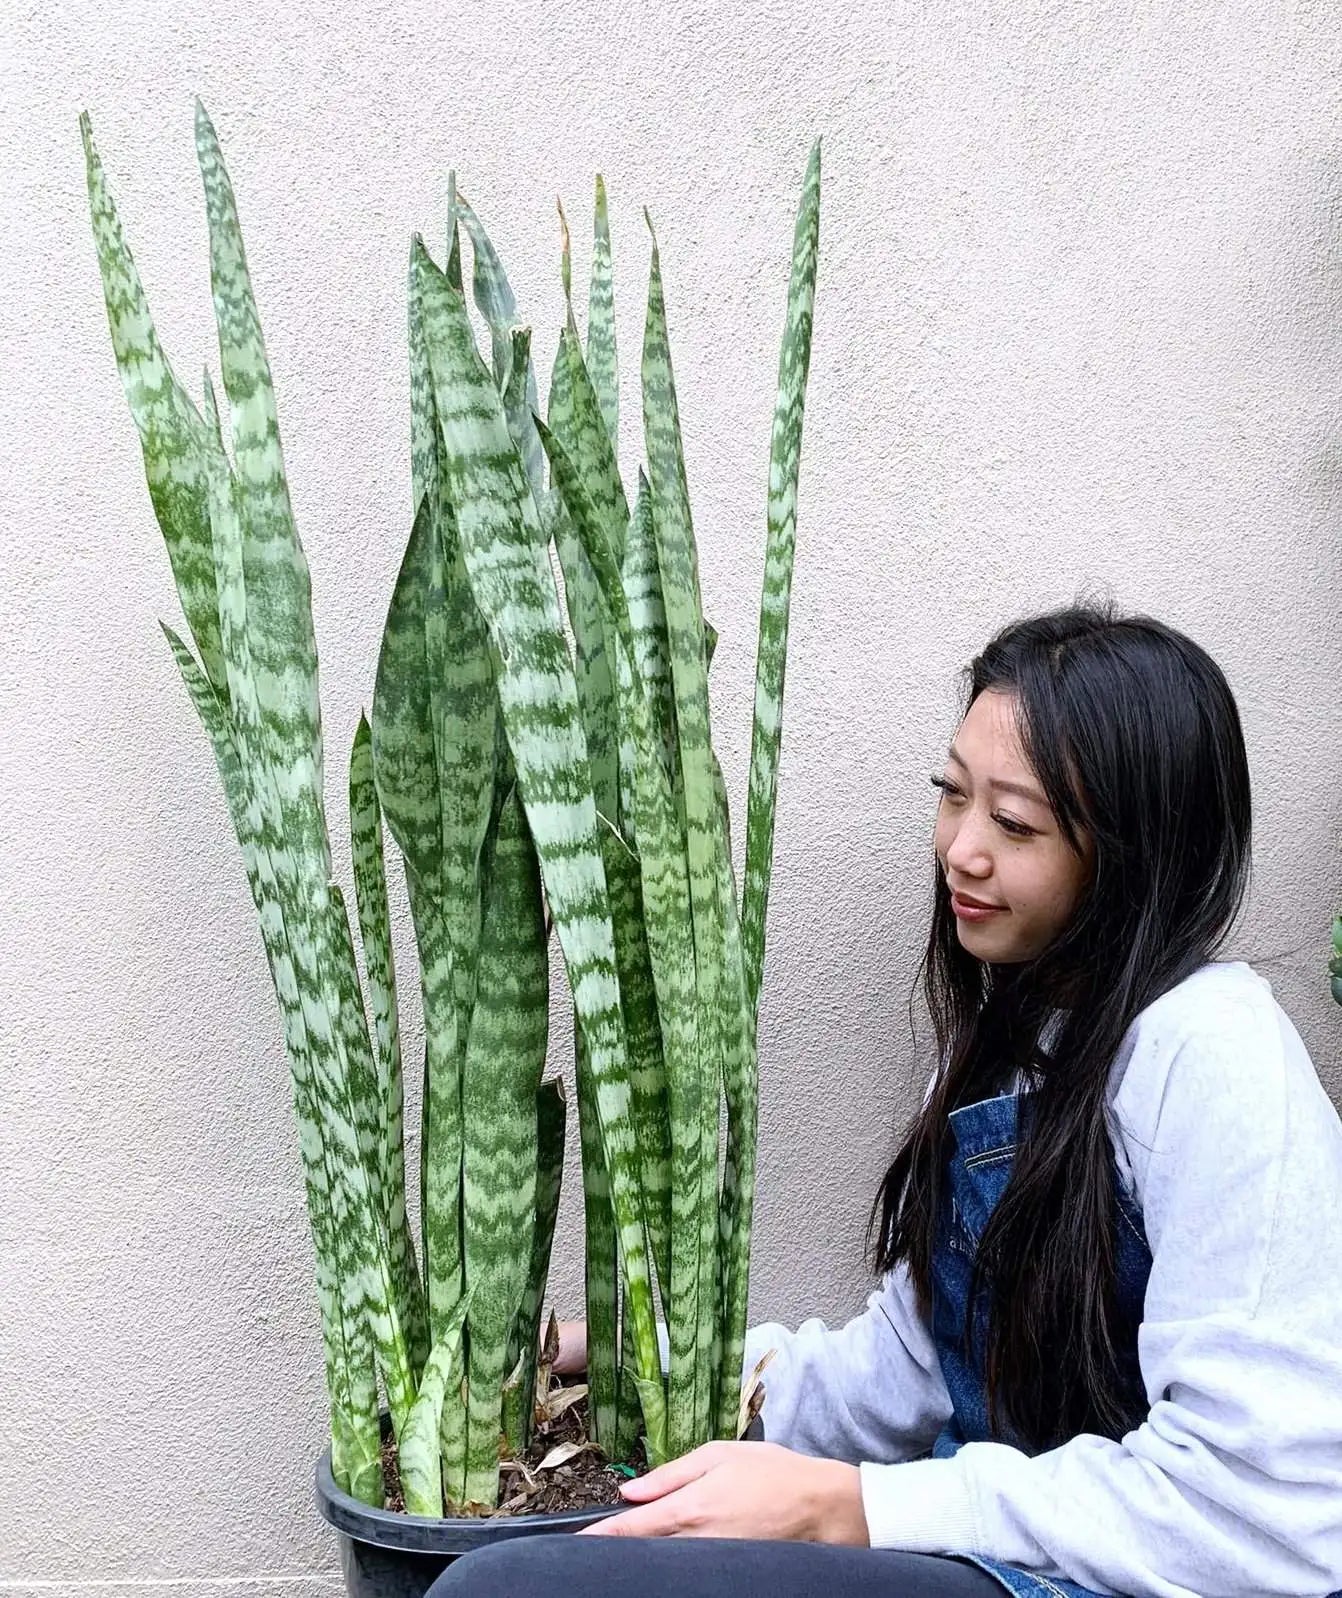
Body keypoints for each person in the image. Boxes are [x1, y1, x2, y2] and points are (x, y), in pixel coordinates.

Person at [426, 602, 1342, 1598]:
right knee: (523, 1570)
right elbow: (911, 1372)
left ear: (1132, 855)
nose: (961, 849)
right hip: (993, 1553)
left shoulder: (1214, 1051)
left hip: (1108, 1580)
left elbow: (1262, 1513)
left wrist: (847, 1504)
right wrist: (637, 1358)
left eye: (1015, 821)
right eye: (952, 796)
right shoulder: (1018, 1030)